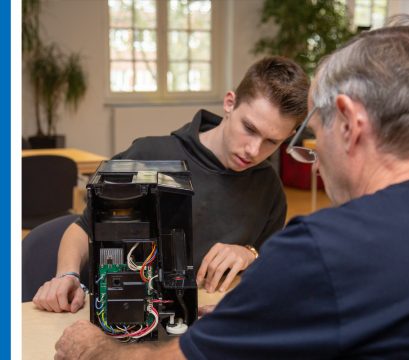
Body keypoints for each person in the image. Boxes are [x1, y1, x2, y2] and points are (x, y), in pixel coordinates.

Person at [54, 14, 409, 359]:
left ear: (349, 124)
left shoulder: (321, 249)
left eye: (314, 136)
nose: (315, 162)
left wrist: (97, 350)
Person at [33, 56, 310, 313]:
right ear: (229, 103)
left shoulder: (269, 189)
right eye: (249, 128)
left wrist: (249, 253)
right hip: (124, 319)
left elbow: (268, 269)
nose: (253, 150)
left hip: (204, 327)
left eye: (271, 142)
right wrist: (66, 274)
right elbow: (83, 227)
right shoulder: (148, 155)